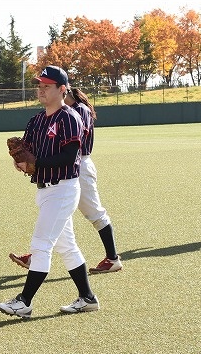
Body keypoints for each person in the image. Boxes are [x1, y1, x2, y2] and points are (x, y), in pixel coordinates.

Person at [0, 66, 99, 318]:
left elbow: (70, 156)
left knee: (41, 245)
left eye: (47, 86)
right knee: (67, 247)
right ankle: (87, 298)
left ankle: (24, 302)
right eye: (39, 86)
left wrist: (37, 163)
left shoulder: (69, 117)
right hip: (45, 190)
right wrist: (21, 162)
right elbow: (28, 150)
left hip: (63, 189)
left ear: (62, 89)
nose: (41, 90)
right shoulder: (36, 120)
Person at [9, 86, 122, 274]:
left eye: (48, 87)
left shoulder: (78, 111)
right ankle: (37, 256)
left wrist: (40, 160)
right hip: (64, 167)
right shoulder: (56, 113)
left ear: (63, 91)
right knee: (56, 213)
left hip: (79, 165)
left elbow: (71, 145)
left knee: (94, 213)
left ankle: (112, 259)